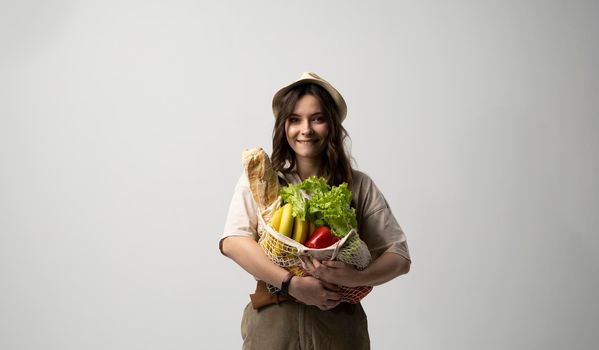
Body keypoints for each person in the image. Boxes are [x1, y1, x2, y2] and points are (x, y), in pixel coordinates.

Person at [219, 72, 411, 350]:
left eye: (317, 118)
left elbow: (399, 257)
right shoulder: (262, 180)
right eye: (295, 119)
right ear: (284, 126)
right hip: (274, 325)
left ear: (331, 125)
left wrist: (355, 278)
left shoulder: (358, 185)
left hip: (339, 330)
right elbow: (233, 242)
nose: (305, 129)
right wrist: (290, 284)